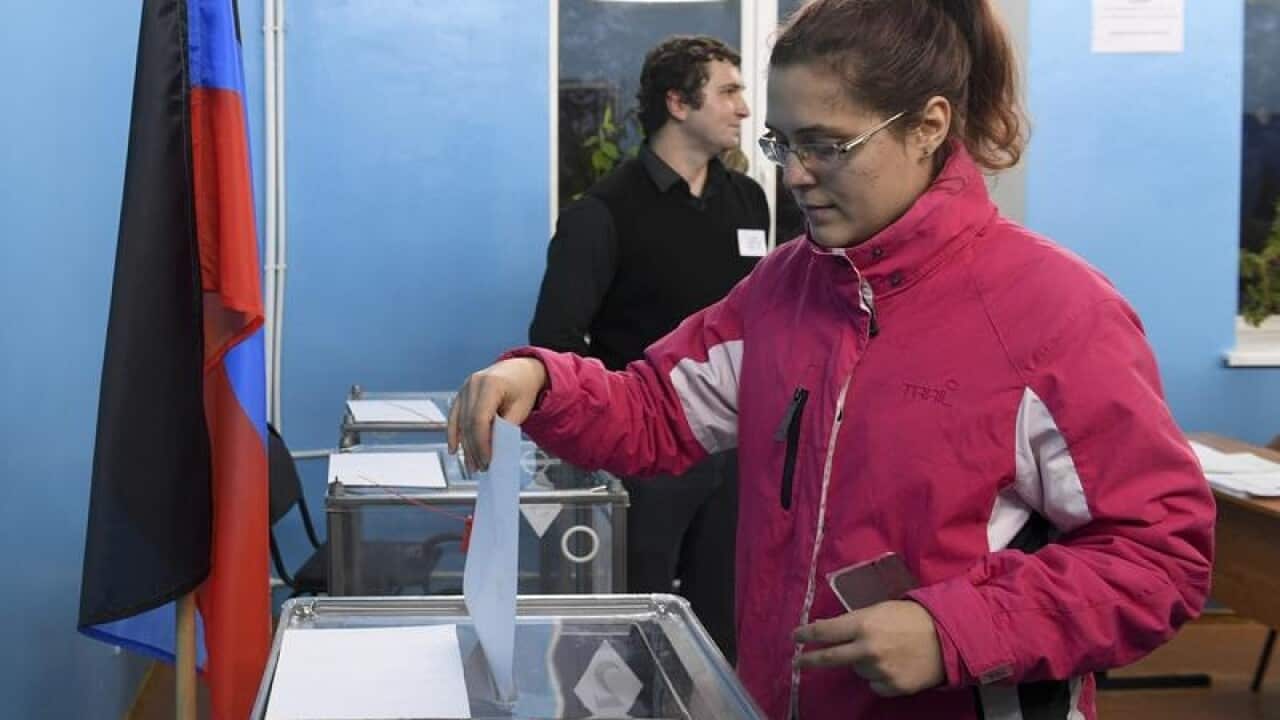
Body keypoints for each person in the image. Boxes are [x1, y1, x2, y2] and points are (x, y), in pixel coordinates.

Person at [452, 1, 1215, 718]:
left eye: (825, 145)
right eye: (782, 143)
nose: (795, 174)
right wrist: (544, 381)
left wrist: (955, 628)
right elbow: (657, 409)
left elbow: (1158, 557)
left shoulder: (1055, 311)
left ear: (927, 126)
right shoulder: (786, 286)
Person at [529, 34, 770, 663]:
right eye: (729, 91)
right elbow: (554, 342)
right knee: (637, 630)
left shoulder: (750, 201)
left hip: (739, 459)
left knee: (726, 625)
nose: (744, 109)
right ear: (678, 103)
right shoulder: (602, 212)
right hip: (644, 463)